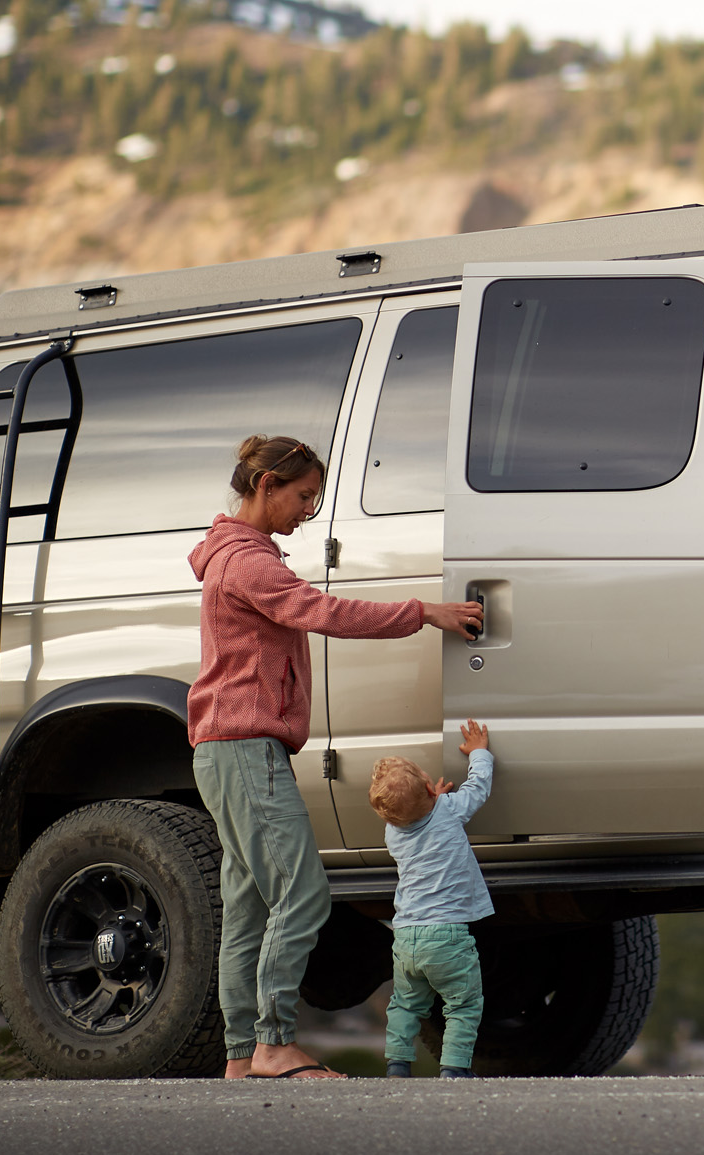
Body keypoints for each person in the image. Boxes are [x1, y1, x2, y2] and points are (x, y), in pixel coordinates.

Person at [187, 434, 483, 1080]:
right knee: (303, 892)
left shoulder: (231, 556)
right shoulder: (248, 563)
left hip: (224, 749)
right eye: (303, 496)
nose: (307, 511)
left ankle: (241, 1057)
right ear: (266, 486)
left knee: (248, 903)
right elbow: (326, 612)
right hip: (243, 748)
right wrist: (423, 612)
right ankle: (272, 1043)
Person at [370, 730, 496, 1079]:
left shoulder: (392, 833)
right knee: (462, 1004)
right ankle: (454, 1068)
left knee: (405, 1003)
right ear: (431, 790)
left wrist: (430, 800)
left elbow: (416, 820)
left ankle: (397, 1063)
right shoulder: (448, 809)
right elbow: (477, 789)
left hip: (406, 935)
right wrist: (479, 753)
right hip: (447, 936)